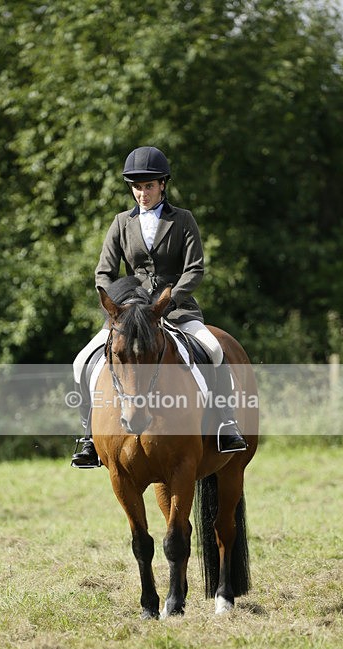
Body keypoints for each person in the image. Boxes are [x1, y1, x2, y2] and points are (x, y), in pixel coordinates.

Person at [71, 146, 246, 467]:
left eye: (148, 186)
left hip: (176, 310)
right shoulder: (121, 222)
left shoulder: (183, 220)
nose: (142, 193)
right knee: (81, 361)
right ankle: (87, 437)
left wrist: (169, 301)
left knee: (214, 349)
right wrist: (121, 305)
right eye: (137, 187)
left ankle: (226, 422)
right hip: (131, 314)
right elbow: (104, 272)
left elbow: (194, 269)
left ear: (162, 184)